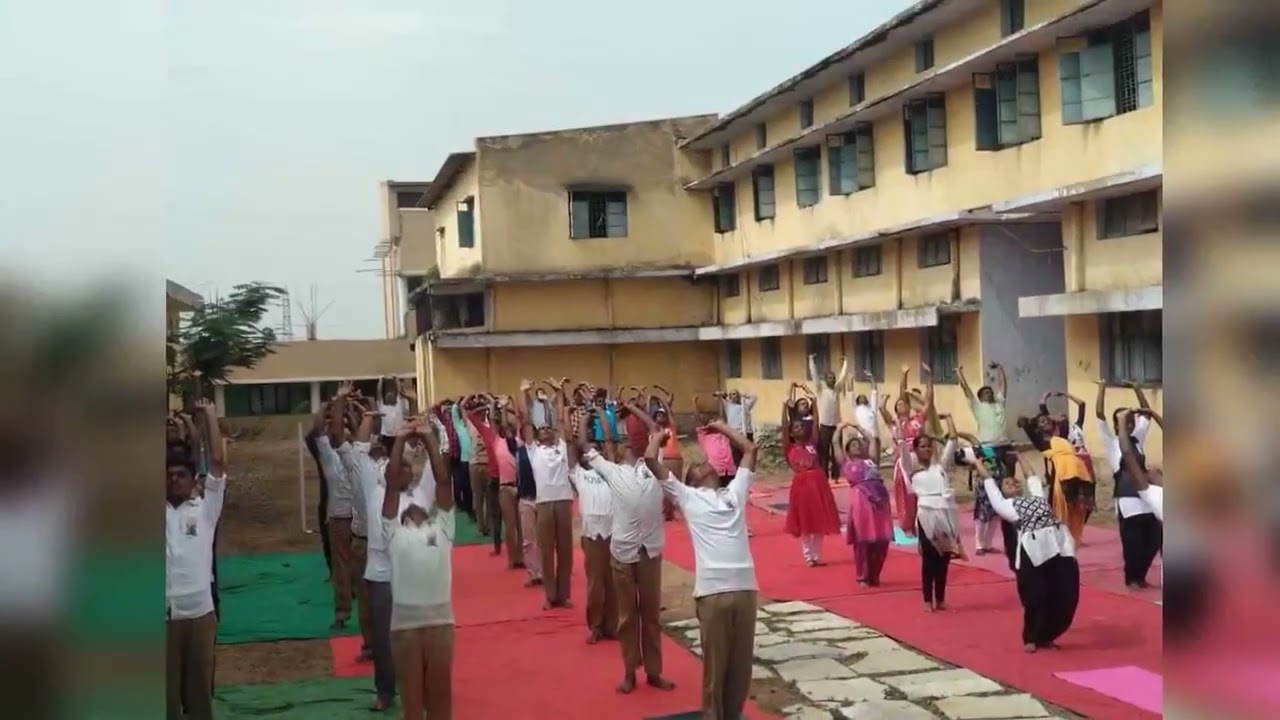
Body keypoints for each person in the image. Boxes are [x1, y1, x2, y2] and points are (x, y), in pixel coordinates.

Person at [643, 421, 757, 720]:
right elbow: (651, 461)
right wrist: (658, 436)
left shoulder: (734, 493)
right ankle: (712, 715)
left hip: (746, 588)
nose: (703, 466)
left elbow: (749, 449)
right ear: (690, 481)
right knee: (716, 667)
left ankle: (732, 715)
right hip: (712, 592)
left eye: (706, 464)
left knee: (741, 667)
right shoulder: (687, 496)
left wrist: (722, 428)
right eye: (696, 467)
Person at [578, 406, 675, 694]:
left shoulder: (653, 465)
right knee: (627, 616)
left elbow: (659, 431)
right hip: (622, 554)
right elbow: (585, 446)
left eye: (637, 438)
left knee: (651, 615)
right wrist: (586, 418)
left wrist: (633, 408)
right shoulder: (612, 470)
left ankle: (655, 672)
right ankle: (630, 671)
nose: (632, 443)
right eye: (627, 440)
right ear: (620, 448)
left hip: (650, 553)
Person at [348, 391, 433, 711]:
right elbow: (359, 447)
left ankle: (421, 686)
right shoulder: (372, 485)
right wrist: (370, 417)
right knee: (384, 641)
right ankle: (386, 691)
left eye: (405, 467)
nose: (397, 468)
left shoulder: (416, 494)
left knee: (416, 636)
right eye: (386, 461)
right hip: (381, 576)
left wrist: (418, 429)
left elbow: (433, 466)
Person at [382, 419, 456, 720]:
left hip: (440, 624)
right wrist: (399, 439)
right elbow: (390, 483)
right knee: (412, 708)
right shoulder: (393, 533)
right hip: (405, 628)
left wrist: (428, 439)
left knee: (440, 705)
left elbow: (442, 481)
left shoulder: (443, 528)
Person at [977, 457, 1080, 652]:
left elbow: (1031, 476)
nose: (1013, 483)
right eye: (1007, 483)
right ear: (1002, 492)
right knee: (1036, 596)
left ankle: (1047, 635)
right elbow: (989, 482)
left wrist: (1018, 456)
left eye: (1015, 481)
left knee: (1065, 594)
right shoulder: (1005, 506)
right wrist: (977, 463)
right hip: (1033, 551)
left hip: (1059, 545)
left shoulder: (1037, 497)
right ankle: (1032, 637)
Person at [166, 397, 225, 720]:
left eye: (181, 475)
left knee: (200, 697)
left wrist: (211, 415)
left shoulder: (205, 510)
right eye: (168, 475)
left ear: (193, 480)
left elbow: (217, 461)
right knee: (165, 700)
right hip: (162, 618)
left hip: (201, 615)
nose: (174, 479)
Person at [1097, 381, 1162, 589]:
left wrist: (1136, 389)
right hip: (1126, 496)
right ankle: (1131, 578)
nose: (1130, 423)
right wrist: (1102, 388)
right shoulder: (1111, 442)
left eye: (1132, 420)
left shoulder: (1137, 440)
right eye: (1125, 421)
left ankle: (1141, 575)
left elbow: (1147, 415)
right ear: (1117, 425)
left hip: (1147, 494)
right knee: (1132, 541)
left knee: (1153, 538)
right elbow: (1099, 415)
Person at [901, 402, 965, 612]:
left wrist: (948, 420)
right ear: (916, 450)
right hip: (927, 513)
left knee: (944, 558)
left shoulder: (940, 466)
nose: (927, 449)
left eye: (929, 446)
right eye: (922, 446)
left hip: (945, 511)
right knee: (929, 558)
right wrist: (901, 432)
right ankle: (927, 599)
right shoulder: (911, 469)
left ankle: (941, 598)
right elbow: (903, 451)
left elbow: (953, 441)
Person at [567, 408, 618, 645]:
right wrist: (586, 418)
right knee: (596, 582)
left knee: (614, 581)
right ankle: (596, 626)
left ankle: (613, 625)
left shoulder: (610, 472)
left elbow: (609, 441)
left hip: (614, 533)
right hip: (593, 535)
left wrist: (602, 415)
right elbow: (577, 443)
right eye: (589, 451)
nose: (593, 452)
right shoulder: (578, 473)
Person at [529, 378, 576, 609]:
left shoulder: (562, 448)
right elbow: (527, 423)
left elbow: (560, 423)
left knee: (565, 550)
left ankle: (564, 594)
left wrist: (559, 392)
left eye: (548, 429)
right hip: (545, 503)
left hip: (564, 500)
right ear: (538, 438)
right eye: (542, 430)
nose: (546, 431)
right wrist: (525, 393)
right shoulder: (533, 451)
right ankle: (549, 595)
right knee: (546, 550)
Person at [956, 363, 1012, 556]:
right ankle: (980, 544)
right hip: (987, 448)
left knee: (1002, 494)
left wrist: (1000, 370)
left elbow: (1004, 386)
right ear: (980, 397)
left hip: (1004, 447)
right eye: (985, 391)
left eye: (990, 390)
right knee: (985, 492)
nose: (988, 393)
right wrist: (959, 374)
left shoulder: (999, 404)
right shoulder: (978, 407)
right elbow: (967, 391)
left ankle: (989, 543)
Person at [781, 397, 841, 566]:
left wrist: (815, 403)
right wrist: (784, 409)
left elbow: (815, 424)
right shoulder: (789, 448)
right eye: (796, 427)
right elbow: (784, 429)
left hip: (818, 482)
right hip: (801, 486)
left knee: (820, 519)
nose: (800, 429)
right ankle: (808, 555)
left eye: (801, 426)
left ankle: (817, 555)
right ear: (792, 432)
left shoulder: (811, 443)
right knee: (806, 520)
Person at [315, 392, 356, 630]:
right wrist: (346, 409)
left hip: (340, 519)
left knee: (341, 566)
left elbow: (318, 428)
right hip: (357, 519)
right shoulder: (356, 456)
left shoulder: (329, 458)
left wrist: (327, 406)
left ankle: (342, 613)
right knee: (362, 565)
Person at [835, 423, 893, 586]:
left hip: (880, 501)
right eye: (853, 445)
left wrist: (859, 429)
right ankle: (862, 575)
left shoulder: (871, 461)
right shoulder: (846, 463)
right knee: (863, 540)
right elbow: (835, 444)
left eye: (859, 444)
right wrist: (840, 429)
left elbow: (872, 438)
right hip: (861, 501)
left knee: (882, 539)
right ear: (847, 450)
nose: (857, 446)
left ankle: (875, 574)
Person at [808, 353, 848, 481]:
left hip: (836, 426)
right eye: (830, 378)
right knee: (823, 452)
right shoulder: (821, 390)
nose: (832, 379)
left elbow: (843, 377)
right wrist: (811, 360)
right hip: (825, 426)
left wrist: (845, 363)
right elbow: (814, 376)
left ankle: (836, 475)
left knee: (836, 451)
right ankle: (824, 476)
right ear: (825, 380)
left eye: (833, 378)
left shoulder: (836, 391)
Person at [716, 390, 757, 465]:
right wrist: (723, 394)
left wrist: (743, 394)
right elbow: (719, 396)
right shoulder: (728, 405)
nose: (734, 396)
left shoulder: (746, 405)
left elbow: (754, 397)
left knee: (749, 454)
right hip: (734, 434)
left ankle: (749, 471)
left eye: (735, 394)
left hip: (746, 433)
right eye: (732, 394)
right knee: (736, 455)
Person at [377, 378, 414, 454]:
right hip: (386, 436)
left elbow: (398, 390)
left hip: (397, 435)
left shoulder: (398, 404)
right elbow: (379, 392)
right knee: (388, 454)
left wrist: (396, 378)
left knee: (398, 453)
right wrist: (381, 379)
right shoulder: (381, 405)